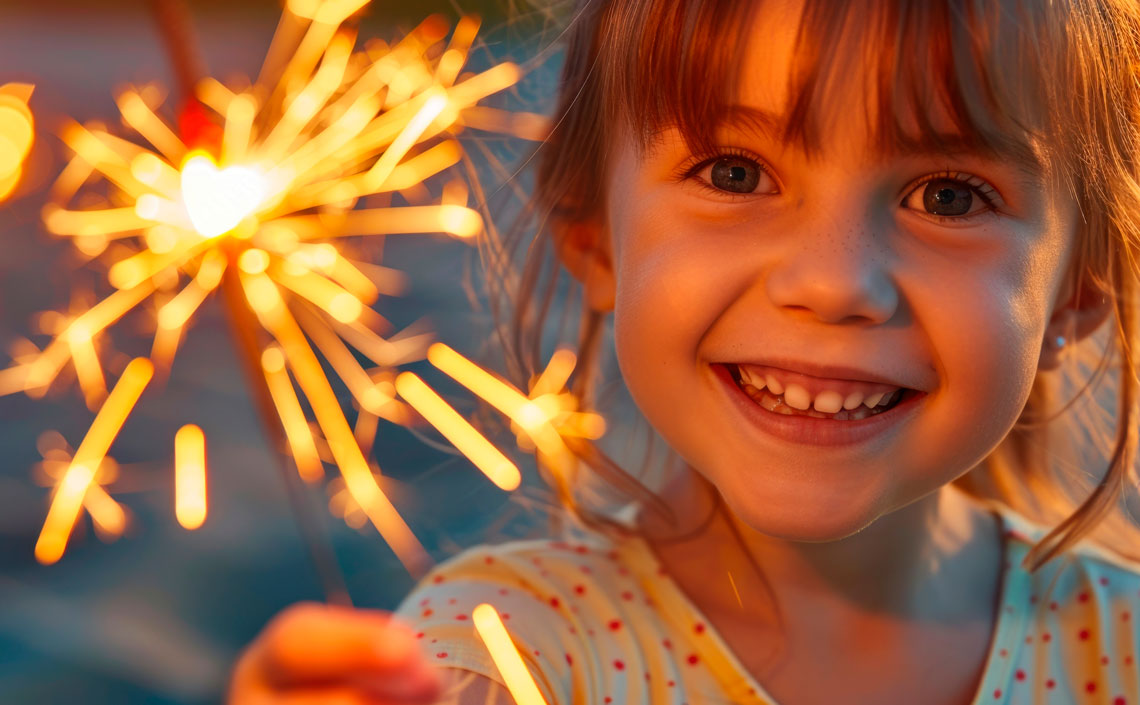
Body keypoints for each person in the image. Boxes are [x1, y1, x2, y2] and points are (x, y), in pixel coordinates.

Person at [227, 0, 1140, 702]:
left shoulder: (1122, 646)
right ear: (595, 243)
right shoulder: (501, 658)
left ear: (1076, 294)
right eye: (734, 174)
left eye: (947, 197)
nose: (832, 283)